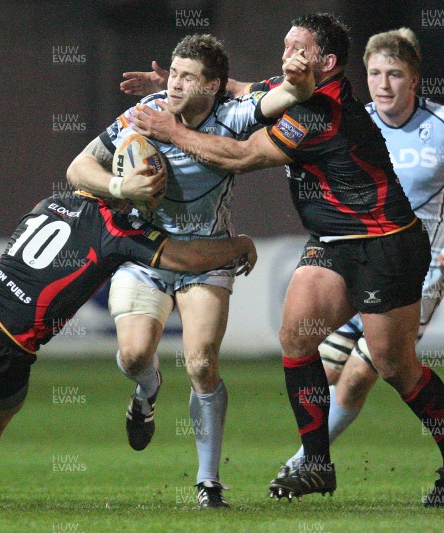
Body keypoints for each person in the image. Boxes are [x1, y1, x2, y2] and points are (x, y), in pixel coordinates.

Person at [129, 13, 444, 507]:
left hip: (385, 244)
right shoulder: (294, 87)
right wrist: (189, 93)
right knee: (297, 335)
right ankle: (317, 464)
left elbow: (240, 156)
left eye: (299, 49)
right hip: (333, 240)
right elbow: (247, 87)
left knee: (392, 363)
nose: (287, 56)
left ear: (328, 63)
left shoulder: (321, 110)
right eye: (286, 46)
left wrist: (173, 130)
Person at [67, 33, 312, 508]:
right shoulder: (144, 113)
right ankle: (147, 388)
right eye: (173, 73)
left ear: (214, 86)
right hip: (145, 254)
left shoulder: (232, 117)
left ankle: (208, 482)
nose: (174, 84)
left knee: (201, 362)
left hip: (207, 256)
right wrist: (122, 184)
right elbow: (78, 168)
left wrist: (299, 82)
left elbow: (286, 96)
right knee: (136, 356)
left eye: (187, 77)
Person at [0, 180, 257, 506]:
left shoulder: (51, 200)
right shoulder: (116, 230)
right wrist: (238, 244)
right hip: (4, 343)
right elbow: (190, 258)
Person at [282, 28, 444, 486]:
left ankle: (303, 464)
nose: (383, 84)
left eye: (395, 74)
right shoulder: (354, 120)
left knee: (369, 370)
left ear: (414, 79)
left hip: (418, 263)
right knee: (321, 361)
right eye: (375, 73)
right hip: (357, 255)